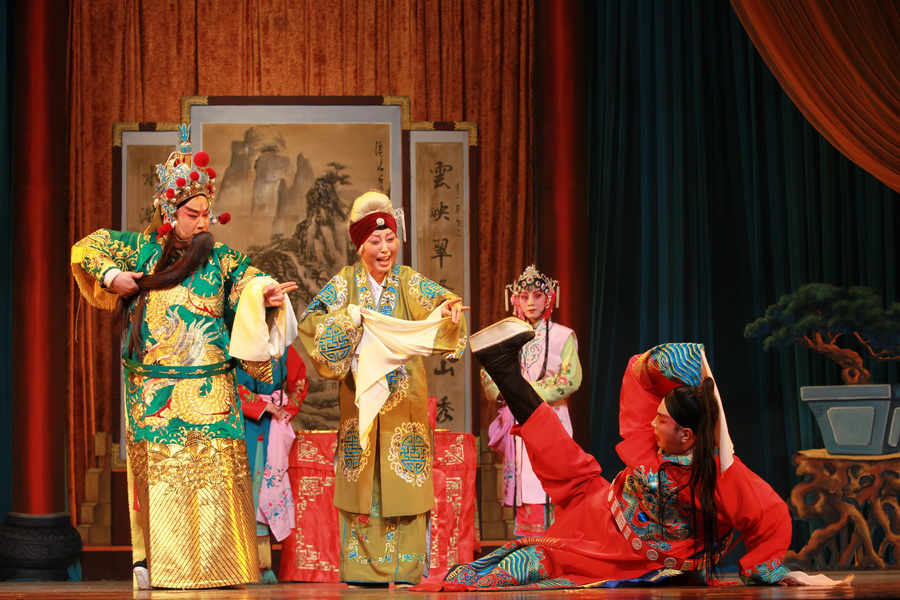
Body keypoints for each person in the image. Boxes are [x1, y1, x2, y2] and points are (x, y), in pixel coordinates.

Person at [430, 318, 852, 590]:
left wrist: (766, 567)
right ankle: (502, 366)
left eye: (662, 419)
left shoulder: (721, 475)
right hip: (600, 504)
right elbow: (639, 372)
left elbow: (771, 515)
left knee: (528, 563)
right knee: (564, 456)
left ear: (687, 434)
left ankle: (503, 369)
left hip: (616, 552)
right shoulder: (660, 436)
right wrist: (687, 363)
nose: (652, 422)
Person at [70, 125, 298, 590]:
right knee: (164, 478)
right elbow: (86, 247)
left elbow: (250, 281)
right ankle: (159, 565)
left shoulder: (222, 260)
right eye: (193, 214)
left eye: (207, 214)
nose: (202, 223)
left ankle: (220, 569)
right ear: (168, 211)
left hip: (212, 392)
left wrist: (265, 294)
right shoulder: (140, 251)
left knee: (214, 477)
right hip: (155, 392)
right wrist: (113, 276)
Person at [297, 191, 468, 584]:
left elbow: (440, 303)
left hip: (404, 404)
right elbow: (311, 321)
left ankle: (407, 567)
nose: (385, 248)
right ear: (360, 245)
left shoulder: (407, 281)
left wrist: (447, 309)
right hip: (360, 403)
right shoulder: (345, 284)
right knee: (363, 483)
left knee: (405, 478)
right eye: (375, 241)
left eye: (390, 238)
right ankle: (363, 570)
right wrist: (349, 322)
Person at [482, 266, 581, 536]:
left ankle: (554, 542)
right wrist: (508, 392)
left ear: (549, 298)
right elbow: (488, 374)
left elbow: (570, 379)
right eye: (524, 296)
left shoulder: (563, 335)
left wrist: (523, 392)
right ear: (515, 299)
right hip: (518, 418)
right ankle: (527, 544)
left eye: (537, 296)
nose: (531, 302)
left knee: (551, 479)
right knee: (524, 483)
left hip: (552, 415)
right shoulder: (504, 335)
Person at [236, 344, 308, 583]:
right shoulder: (234, 346)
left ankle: (261, 564)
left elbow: (299, 381)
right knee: (243, 492)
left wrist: (287, 409)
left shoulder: (282, 348)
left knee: (262, 491)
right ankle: (238, 563)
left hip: (271, 428)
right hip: (240, 424)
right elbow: (226, 384)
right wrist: (259, 404)